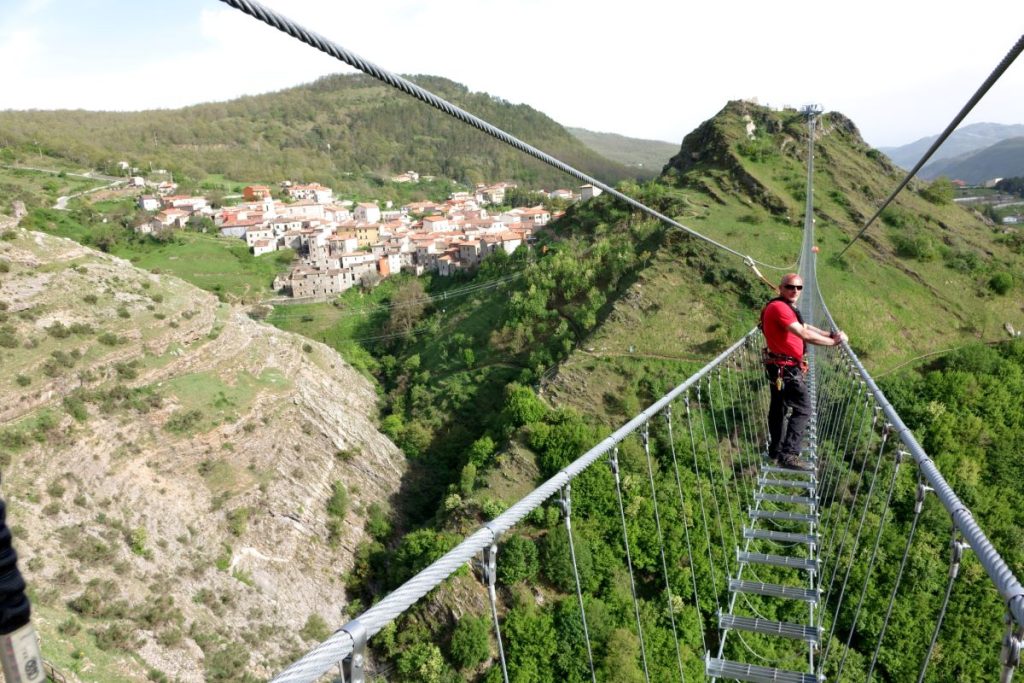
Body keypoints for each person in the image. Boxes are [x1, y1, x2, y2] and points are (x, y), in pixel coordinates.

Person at [760, 274, 847, 471]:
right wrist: (834, 342)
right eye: (790, 287)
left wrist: (829, 334)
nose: (795, 291)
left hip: (778, 367)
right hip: (786, 369)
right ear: (781, 288)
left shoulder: (783, 307)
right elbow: (804, 334)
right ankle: (789, 455)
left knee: (778, 410)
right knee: (804, 408)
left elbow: (805, 326)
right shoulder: (780, 308)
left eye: (799, 288)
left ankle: (776, 451)